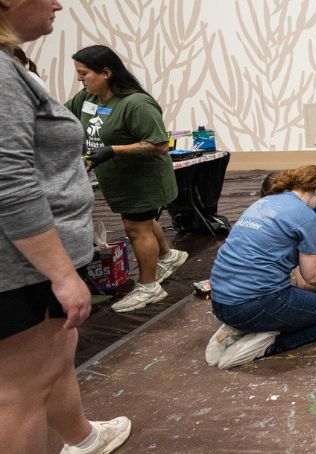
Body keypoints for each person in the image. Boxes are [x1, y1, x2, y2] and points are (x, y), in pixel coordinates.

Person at [0, 1, 130, 452]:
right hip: (22, 267)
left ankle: (84, 437)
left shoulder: (11, 66)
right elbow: (10, 182)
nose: (58, 4)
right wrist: (60, 273)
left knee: (55, 361)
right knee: (19, 392)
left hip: (32, 260)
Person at [65, 44, 188, 313]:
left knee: (136, 228)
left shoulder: (136, 104)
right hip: (118, 180)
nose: (79, 79)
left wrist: (113, 150)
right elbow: (62, 121)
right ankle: (168, 255)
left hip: (144, 180)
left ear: (106, 72)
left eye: (84, 73)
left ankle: (148, 288)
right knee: (142, 221)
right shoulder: (86, 99)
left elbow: (159, 145)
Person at [206, 165, 316, 370]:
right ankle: (268, 345)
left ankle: (239, 328)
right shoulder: (308, 217)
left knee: (298, 296)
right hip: (255, 303)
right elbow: (313, 277)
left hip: (220, 301)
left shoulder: (263, 203)